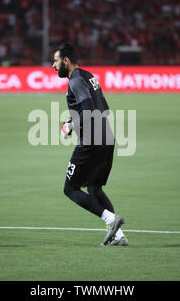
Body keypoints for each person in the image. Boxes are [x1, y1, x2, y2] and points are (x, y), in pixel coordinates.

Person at [52, 43, 128, 246]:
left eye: (56, 60)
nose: (53, 65)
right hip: (107, 138)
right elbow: (102, 108)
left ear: (66, 61)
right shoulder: (89, 76)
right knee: (94, 188)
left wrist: (71, 127)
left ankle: (110, 219)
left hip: (91, 142)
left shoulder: (75, 81)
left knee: (70, 189)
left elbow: (88, 109)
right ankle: (118, 236)